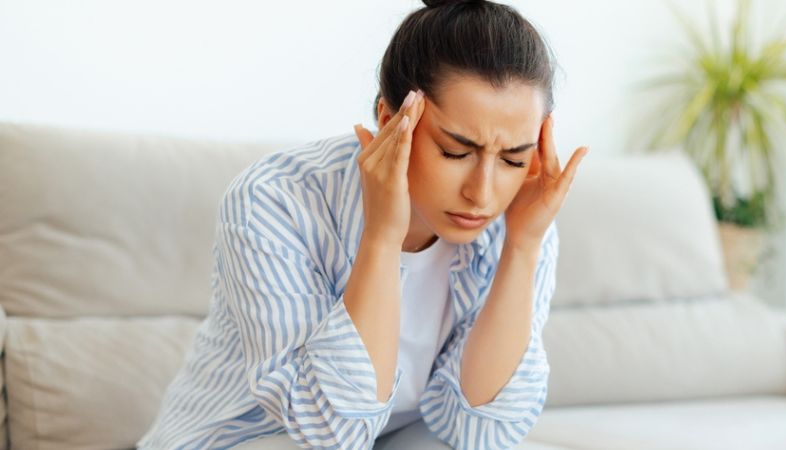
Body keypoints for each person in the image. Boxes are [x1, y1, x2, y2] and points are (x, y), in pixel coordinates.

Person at [136, 0, 587, 448]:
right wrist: (382, 237)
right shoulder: (275, 200)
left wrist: (523, 248)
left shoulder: (523, 218)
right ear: (391, 120)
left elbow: (481, 430)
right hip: (255, 437)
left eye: (513, 158)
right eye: (454, 152)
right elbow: (330, 432)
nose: (483, 193)